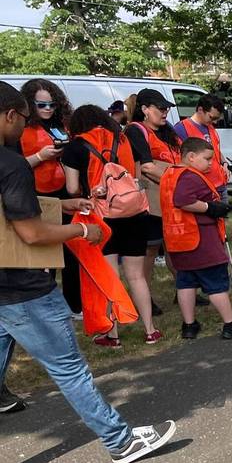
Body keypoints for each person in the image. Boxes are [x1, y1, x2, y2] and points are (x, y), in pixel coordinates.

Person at [0, 82, 177, 463]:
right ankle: (120, 441)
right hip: (23, 288)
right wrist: (82, 229)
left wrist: (61, 203)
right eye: (25, 120)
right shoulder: (10, 163)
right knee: (69, 370)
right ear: (11, 115)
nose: (25, 130)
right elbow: (29, 232)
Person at [62, 105, 161, 347]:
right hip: (135, 212)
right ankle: (150, 330)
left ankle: (113, 333)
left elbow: (72, 189)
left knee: (109, 276)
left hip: (101, 216)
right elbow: (136, 175)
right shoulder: (124, 139)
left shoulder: (75, 147)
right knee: (136, 275)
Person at [161, 137, 232, 340]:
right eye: (208, 159)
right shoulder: (190, 176)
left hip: (178, 240)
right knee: (215, 283)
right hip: (199, 240)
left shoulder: (170, 173)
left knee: (185, 283)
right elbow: (183, 200)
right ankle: (230, 324)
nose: (211, 163)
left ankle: (189, 325)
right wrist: (211, 207)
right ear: (191, 157)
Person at [18, 79, 80, 319]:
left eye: (52, 104)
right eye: (41, 104)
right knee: (44, 253)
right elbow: (13, 165)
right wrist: (39, 156)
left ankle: (74, 304)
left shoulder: (62, 124)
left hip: (63, 190)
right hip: (35, 193)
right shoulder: (20, 128)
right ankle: (43, 307)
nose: (47, 109)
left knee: (70, 249)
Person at [126, 88, 183, 326]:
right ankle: (144, 297)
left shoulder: (167, 132)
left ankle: (184, 290)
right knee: (150, 250)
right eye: (160, 108)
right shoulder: (135, 131)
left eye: (167, 108)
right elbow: (147, 167)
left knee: (174, 246)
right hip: (151, 201)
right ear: (145, 109)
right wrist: (178, 181)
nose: (165, 112)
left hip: (169, 197)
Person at [172, 94, 229, 198]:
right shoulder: (181, 129)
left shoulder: (210, 127)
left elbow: (215, 148)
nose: (215, 122)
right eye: (212, 117)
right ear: (200, 110)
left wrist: (224, 162)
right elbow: (180, 160)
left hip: (220, 185)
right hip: (203, 187)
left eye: (217, 118)